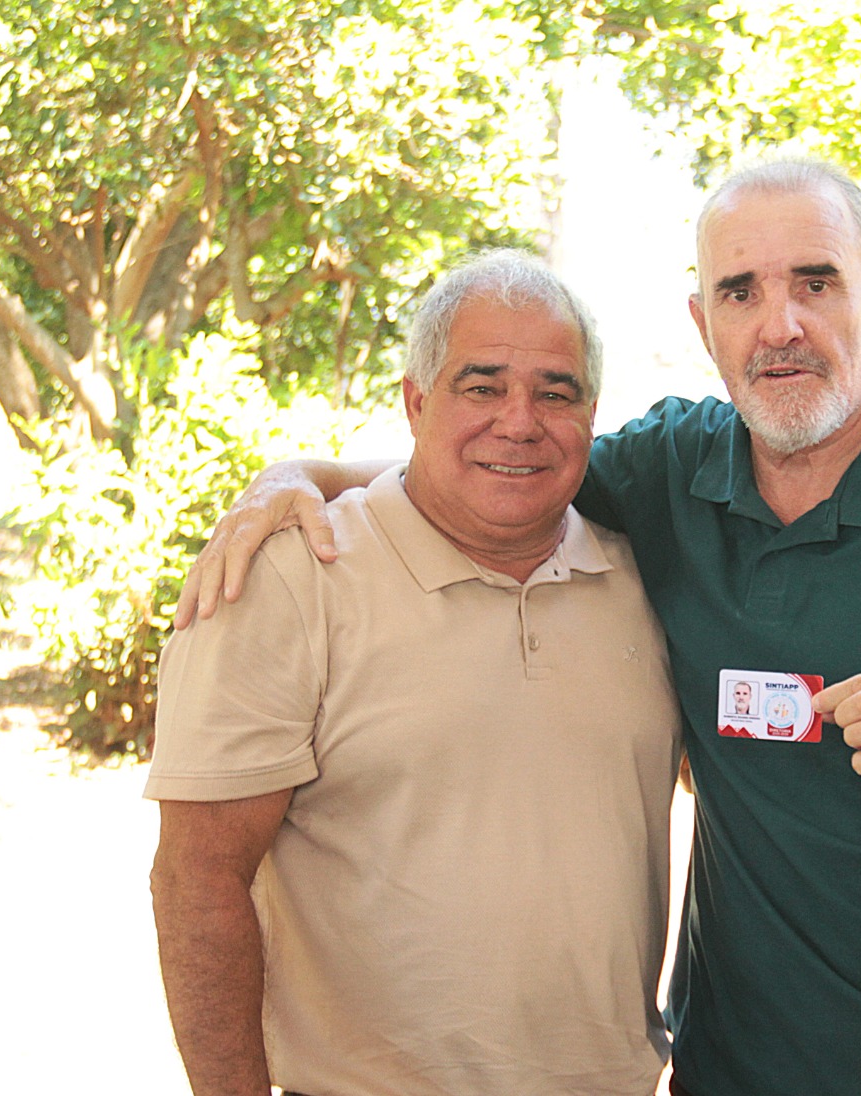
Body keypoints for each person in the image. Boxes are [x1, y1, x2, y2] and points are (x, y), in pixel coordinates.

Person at [178, 158, 861, 1095]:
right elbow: (508, 458)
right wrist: (301, 473)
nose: (778, 324)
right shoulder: (672, 471)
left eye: (816, 282)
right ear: (705, 324)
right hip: (736, 1064)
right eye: (740, 291)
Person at [146, 250, 682, 1096]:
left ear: (592, 414)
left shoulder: (650, 578)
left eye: (556, 392)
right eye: (482, 386)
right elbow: (196, 879)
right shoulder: (289, 578)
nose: (520, 421)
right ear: (416, 401)